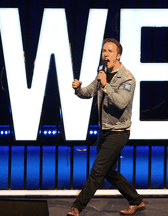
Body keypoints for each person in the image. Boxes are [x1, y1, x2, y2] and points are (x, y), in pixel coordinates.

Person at [67, 38, 145, 216]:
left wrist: (106, 85)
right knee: (109, 172)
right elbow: (89, 92)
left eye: (110, 51)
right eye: (104, 51)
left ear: (118, 55)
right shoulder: (102, 72)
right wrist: (78, 89)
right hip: (104, 130)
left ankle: (77, 207)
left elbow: (121, 102)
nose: (106, 54)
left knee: (97, 171)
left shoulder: (127, 78)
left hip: (118, 132)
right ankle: (136, 201)